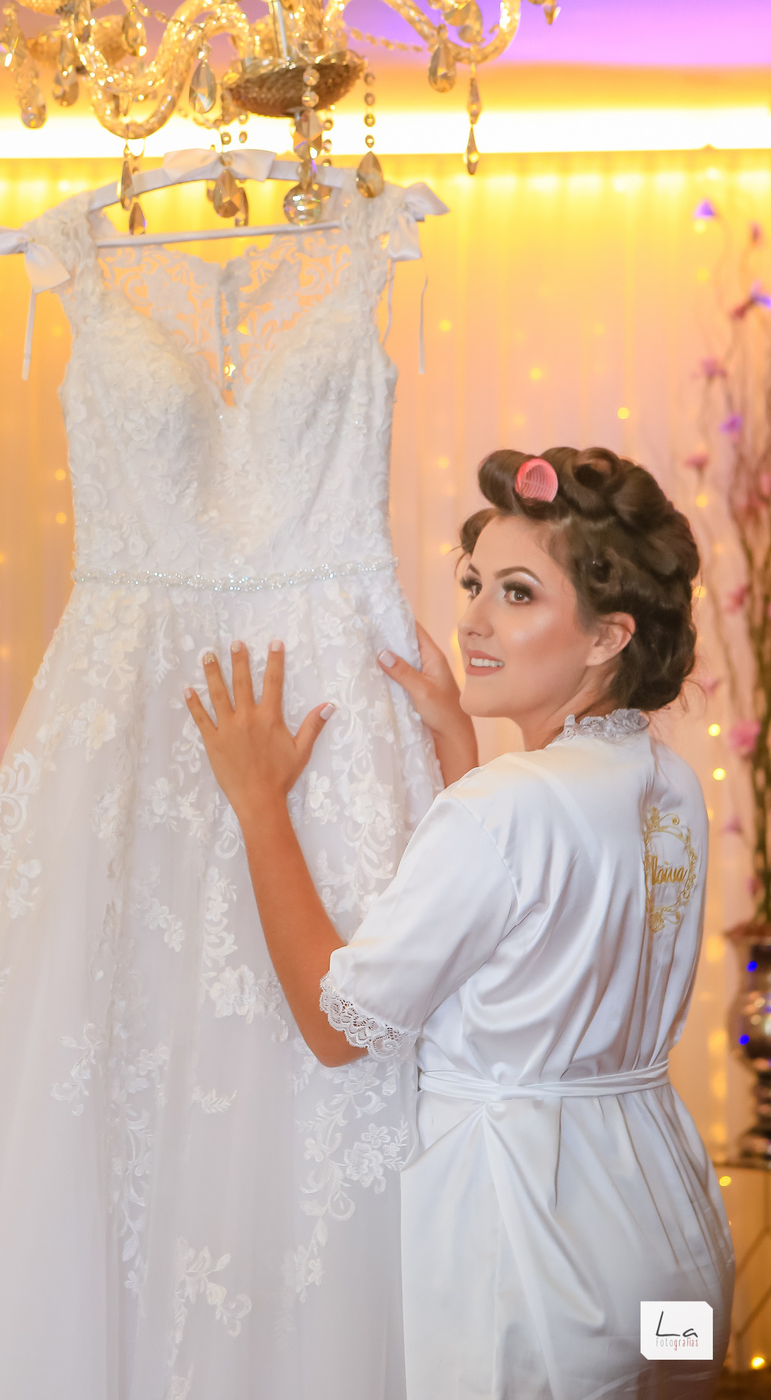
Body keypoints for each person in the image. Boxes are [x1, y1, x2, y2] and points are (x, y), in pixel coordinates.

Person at [185, 445, 735, 1399]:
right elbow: (530, 920)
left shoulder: (504, 809)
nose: (474, 619)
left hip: (531, 1250)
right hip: (665, 1231)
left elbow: (337, 1024)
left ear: (607, 636)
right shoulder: (669, 780)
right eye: (473, 582)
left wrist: (261, 804)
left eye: (518, 594)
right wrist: (459, 744)